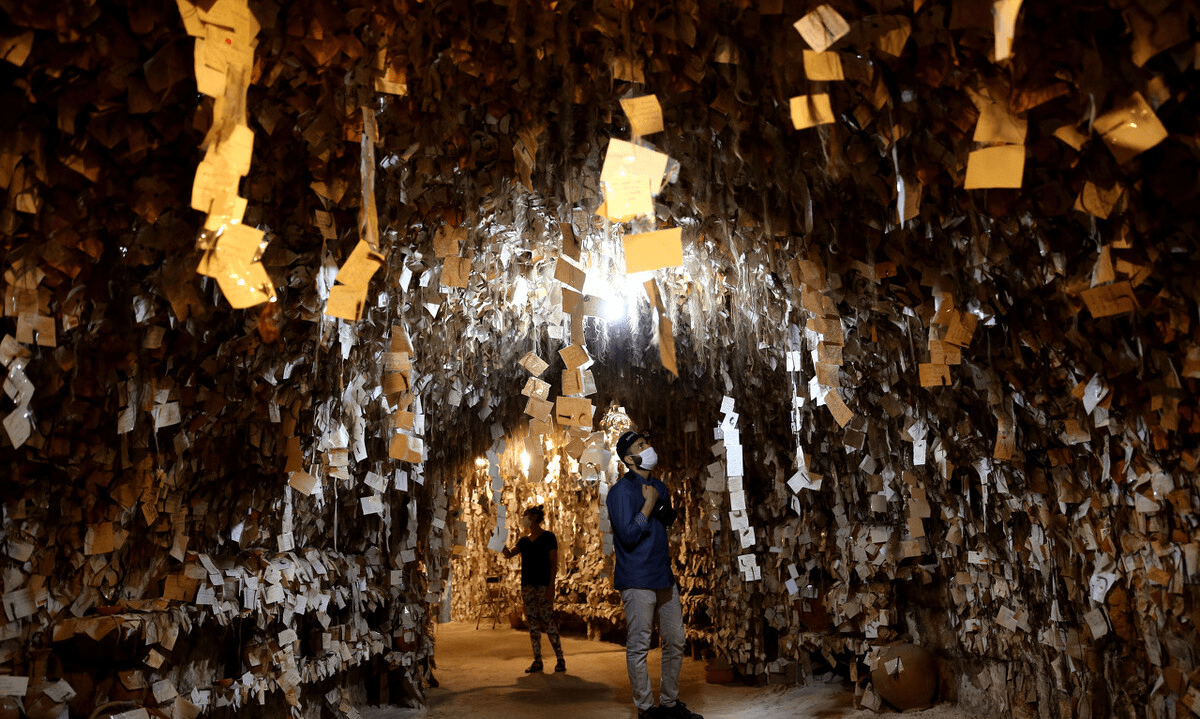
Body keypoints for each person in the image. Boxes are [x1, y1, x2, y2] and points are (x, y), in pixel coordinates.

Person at [607, 431, 703, 719]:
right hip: (637, 578)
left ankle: (670, 704)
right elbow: (627, 536)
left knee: (675, 639)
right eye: (641, 446)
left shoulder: (659, 485)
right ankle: (646, 709)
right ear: (629, 458)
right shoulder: (619, 493)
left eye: (647, 443)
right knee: (639, 644)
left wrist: (657, 502)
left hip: (663, 574)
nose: (648, 448)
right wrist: (647, 505)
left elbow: (668, 521)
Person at [502, 505, 566, 673]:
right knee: (533, 622)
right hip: (528, 586)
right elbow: (509, 554)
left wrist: (551, 585)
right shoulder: (523, 541)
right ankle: (537, 659)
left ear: (534, 517)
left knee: (547, 620)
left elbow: (554, 563)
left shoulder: (548, 537)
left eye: (526, 515)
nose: (523, 519)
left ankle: (560, 658)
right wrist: (497, 541)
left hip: (544, 585)